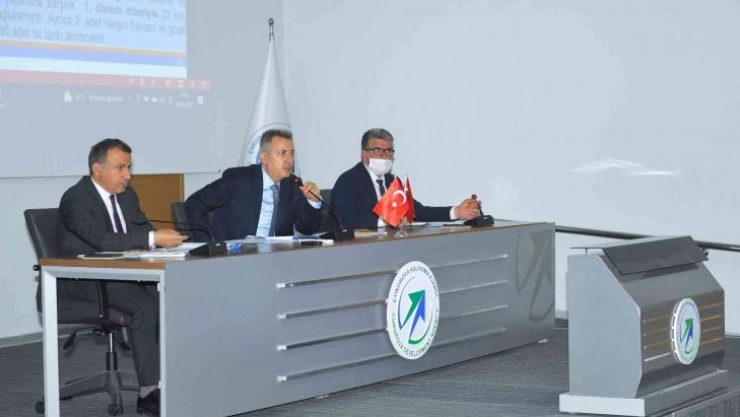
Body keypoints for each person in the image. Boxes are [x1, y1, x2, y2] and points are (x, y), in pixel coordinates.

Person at [58, 138, 187, 416]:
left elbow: (140, 230)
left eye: (129, 167)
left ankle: (171, 379)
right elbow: (100, 240)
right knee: (146, 307)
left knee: (172, 296)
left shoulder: (127, 196)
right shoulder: (76, 199)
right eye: (120, 168)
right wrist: (151, 238)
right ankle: (148, 393)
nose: (128, 175)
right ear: (97, 169)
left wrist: (160, 243)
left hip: (124, 274)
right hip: (85, 281)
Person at [185, 129, 322, 241]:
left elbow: (306, 229)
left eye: (291, 153)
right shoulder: (238, 179)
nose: (289, 160)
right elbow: (194, 203)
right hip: (237, 256)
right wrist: (207, 245)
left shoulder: (293, 184)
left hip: (278, 257)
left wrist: (314, 202)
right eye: (282, 153)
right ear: (264, 157)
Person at [331, 128, 482, 229]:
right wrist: (384, 221)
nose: (384, 155)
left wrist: (457, 212)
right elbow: (344, 220)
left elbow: (418, 212)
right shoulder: (348, 181)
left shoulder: (392, 181)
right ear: (364, 155)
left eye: (388, 151)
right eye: (378, 150)